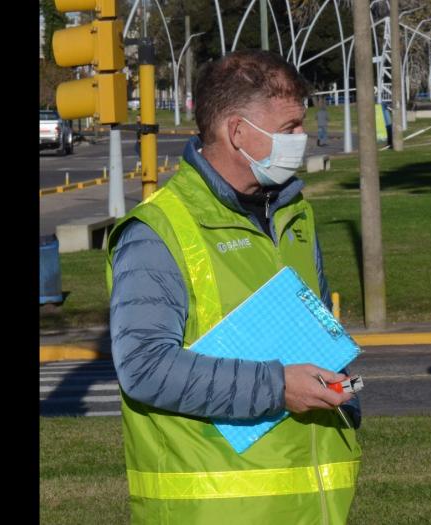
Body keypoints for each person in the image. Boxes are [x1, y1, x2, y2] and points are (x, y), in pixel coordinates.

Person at [106, 49, 361, 524]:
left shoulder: (293, 213)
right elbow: (143, 367)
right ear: (238, 133)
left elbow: (319, 326)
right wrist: (276, 386)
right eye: (289, 129)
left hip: (316, 509)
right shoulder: (157, 231)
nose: (303, 139)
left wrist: (344, 389)